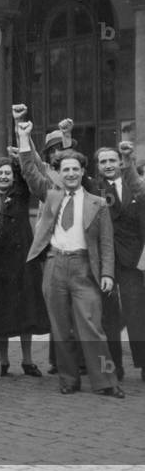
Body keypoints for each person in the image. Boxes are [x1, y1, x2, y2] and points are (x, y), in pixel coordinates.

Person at [16, 120, 123, 397]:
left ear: (83, 171)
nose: (71, 173)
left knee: (92, 327)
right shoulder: (50, 196)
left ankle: (106, 382)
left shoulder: (97, 203)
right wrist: (24, 137)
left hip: (84, 267)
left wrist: (108, 274)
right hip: (54, 265)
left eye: (76, 169)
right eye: (66, 170)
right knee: (60, 327)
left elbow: (107, 243)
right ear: (59, 174)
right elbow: (30, 171)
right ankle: (68, 379)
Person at [0, 155, 49, 376]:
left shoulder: (21, 193)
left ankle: (27, 360)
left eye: (8, 173)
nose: (4, 177)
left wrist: (19, 157)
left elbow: (26, 171)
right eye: (0, 173)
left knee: (27, 309)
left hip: (23, 260)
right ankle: (4, 360)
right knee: (2, 312)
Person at [88, 143, 145, 382]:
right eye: (103, 162)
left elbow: (137, 186)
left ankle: (143, 365)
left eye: (113, 160)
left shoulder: (134, 186)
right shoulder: (94, 189)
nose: (109, 165)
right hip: (105, 262)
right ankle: (114, 366)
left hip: (132, 259)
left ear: (119, 163)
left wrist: (128, 157)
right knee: (108, 316)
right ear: (98, 166)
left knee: (137, 312)